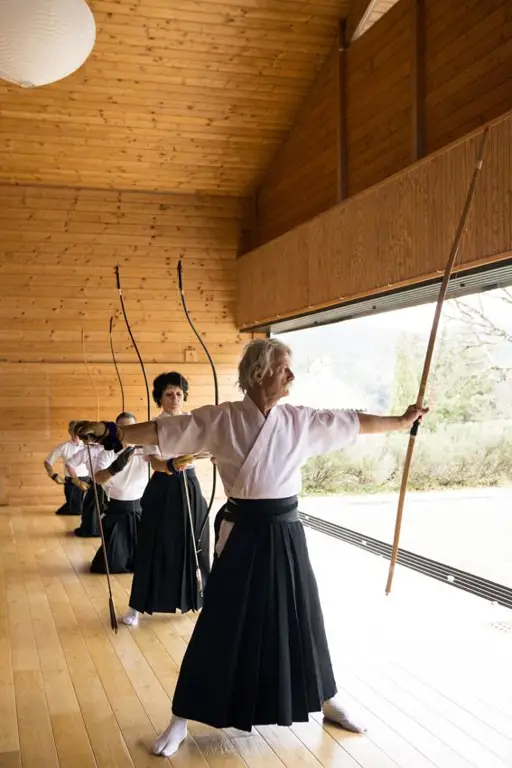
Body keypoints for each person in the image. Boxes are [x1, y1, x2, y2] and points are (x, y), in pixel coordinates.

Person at [74, 338, 428, 757]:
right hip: (242, 532)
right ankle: (181, 717)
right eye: (284, 368)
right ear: (259, 373)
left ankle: (327, 698)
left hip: (285, 531)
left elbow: (352, 421)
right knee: (220, 621)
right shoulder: (222, 419)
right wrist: (112, 431)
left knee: (303, 615)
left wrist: (401, 421)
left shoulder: (299, 420)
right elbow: (162, 430)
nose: (291, 376)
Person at [122, 372, 210, 628]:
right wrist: (172, 463)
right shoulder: (153, 426)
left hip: (190, 487)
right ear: (159, 398)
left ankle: (203, 598)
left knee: (198, 543)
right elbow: (156, 463)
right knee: (153, 545)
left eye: (179, 394)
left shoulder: (192, 422)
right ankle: (136, 606)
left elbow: (207, 447)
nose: (174, 399)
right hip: (164, 488)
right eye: (169, 394)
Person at [90, 412, 149, 574]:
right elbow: (98, 478)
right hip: (116, 509)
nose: (127, 431)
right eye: (123, 428)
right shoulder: (107, 453)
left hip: (139, 509)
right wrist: (116, 467)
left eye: (131, 427)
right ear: (116, 431)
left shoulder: (144, 450)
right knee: (111, 563)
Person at [43, 420, 89, 516]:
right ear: (69, 431)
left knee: (88, 510)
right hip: (72, 482)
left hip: (87, 480)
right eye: (73, 429)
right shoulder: (64, 447)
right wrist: (53, 475)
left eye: (78, 429)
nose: (76, 432)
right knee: (77, 511)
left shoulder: (87, 445)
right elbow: (48, 462)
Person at [67, 443, 106, 537]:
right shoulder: (88, 450)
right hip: (96, 484)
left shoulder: (114, 449)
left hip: (112, 486)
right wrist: (78, 482)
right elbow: (69, 464)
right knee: (91, 510)